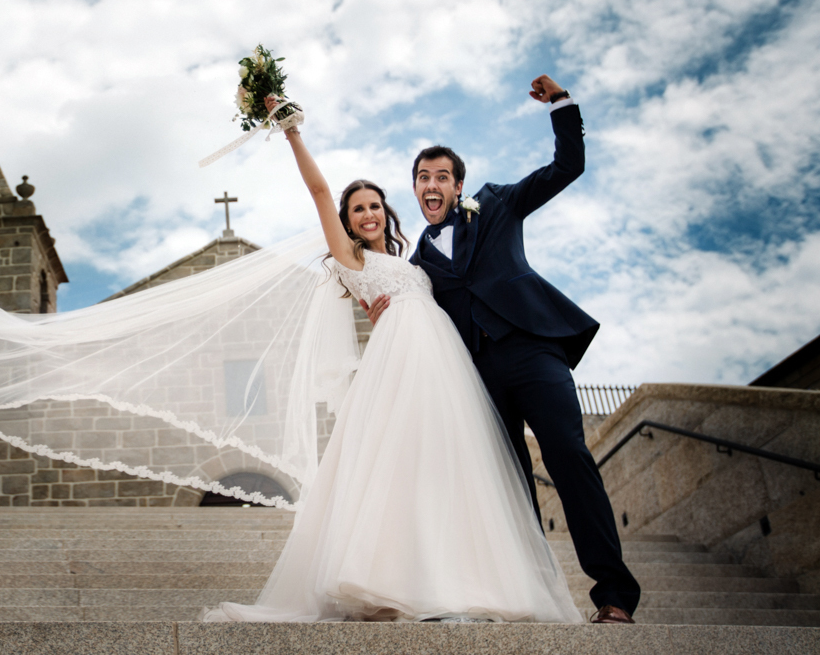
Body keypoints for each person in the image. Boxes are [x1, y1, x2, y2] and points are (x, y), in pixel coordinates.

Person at [201, 96, 582, 623]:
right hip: (402, 362)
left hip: (444, 365)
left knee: (443, 465)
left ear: (387, 211)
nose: (368, 213)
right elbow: (317, 191)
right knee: (399, 465)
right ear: (349, 222)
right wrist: (292, 133)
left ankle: (452, 575)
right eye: (358, 208)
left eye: (375, 205)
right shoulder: (350, 257)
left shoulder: (411, 259)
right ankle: (385, 581)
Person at [363, 75, 640, 624]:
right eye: (422, 177)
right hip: (476, 378)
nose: (431, 183)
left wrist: (562, 105)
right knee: (508, 486)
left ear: (458, 185)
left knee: (568, 455)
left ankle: (614, 593)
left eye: (442, 175)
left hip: (533, 352)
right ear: (415, 191)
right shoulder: (415, 266)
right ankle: (532, 594)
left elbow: (567, 167)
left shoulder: (497, 204)